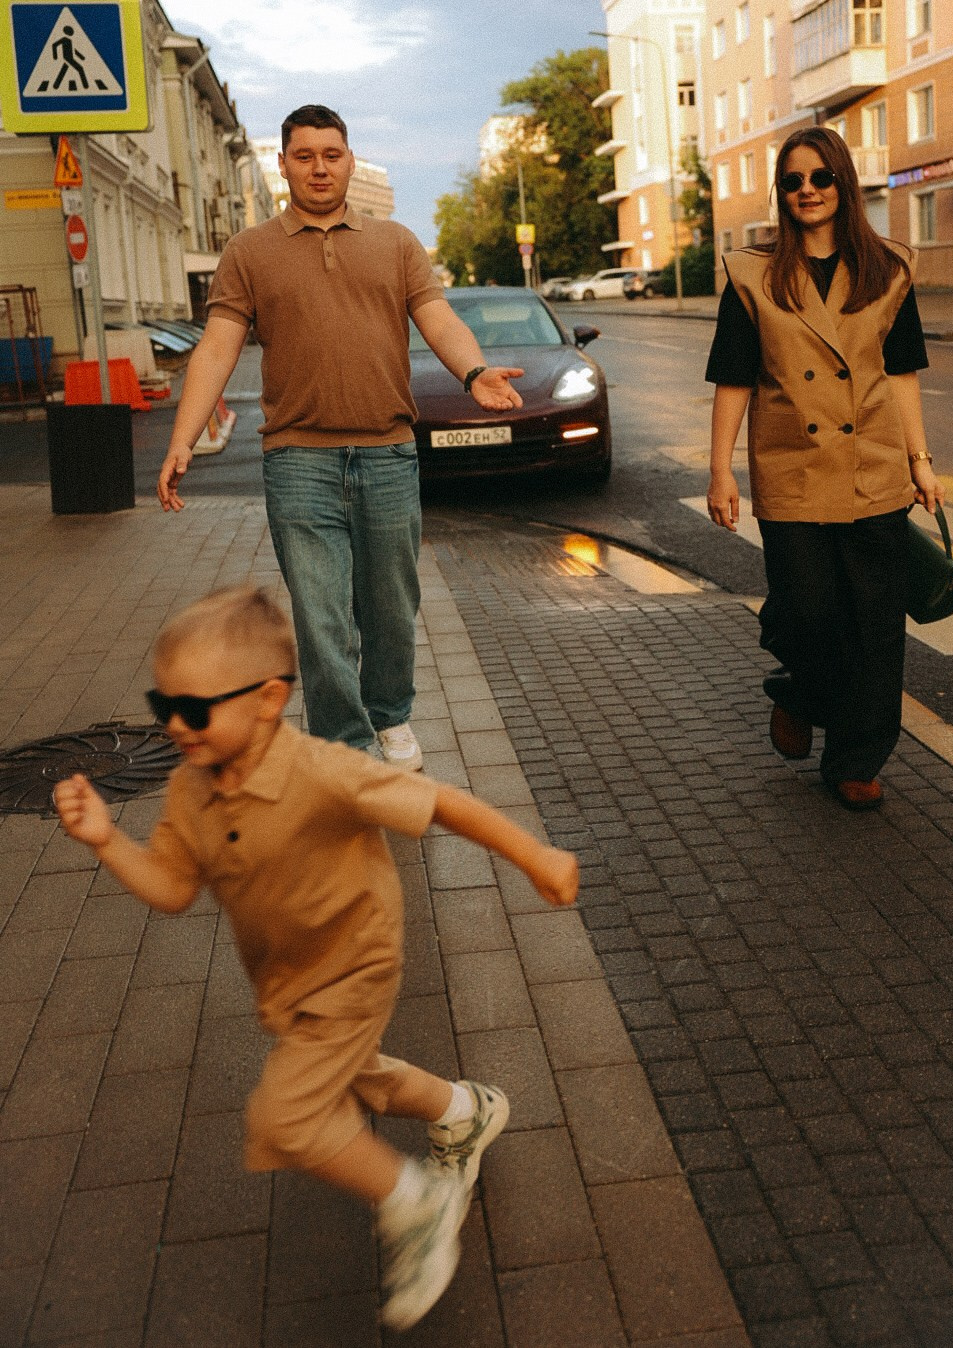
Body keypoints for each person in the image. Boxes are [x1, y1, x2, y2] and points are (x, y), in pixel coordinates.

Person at [54, 585, 579, 1332]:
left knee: (288, 1117)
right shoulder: (189, 790)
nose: (175, 725)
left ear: (268, 700)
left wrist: (536, 856)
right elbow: (172, 889)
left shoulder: (323, 772)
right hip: (288, 979)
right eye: (161, 704)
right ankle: (464, 1112)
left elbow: (439, 804)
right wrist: (108, 840)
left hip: (355, 962)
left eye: (195, 709)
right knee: (354, 1075)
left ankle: (417, 1200)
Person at [157, 104, 525, 771]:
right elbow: (216, 347)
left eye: (332, 154)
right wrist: (184, 436)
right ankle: (344, 747)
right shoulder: (249, 252)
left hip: (387, 452)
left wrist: (473, 371)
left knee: (389, 606)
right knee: (322, 616)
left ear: (349, 160)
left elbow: (436, 317)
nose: (319, 167)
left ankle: (390, 718)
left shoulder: (395, 243)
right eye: (305, 155)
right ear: (284, 164)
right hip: (298, 458)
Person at [705, 127, 945, 808]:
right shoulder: (751, 274)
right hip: (793, 470)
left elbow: (901, 375)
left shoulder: (890, 269)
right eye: (792, 181)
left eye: (819, 178)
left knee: (874, 625)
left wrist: (920, 462)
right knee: (807, 614)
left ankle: (856, 761)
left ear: (843, 184)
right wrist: (721, 471)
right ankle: (799, 690)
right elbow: (733, 379)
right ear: (781, 194)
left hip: (873, 467)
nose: (806, 190)